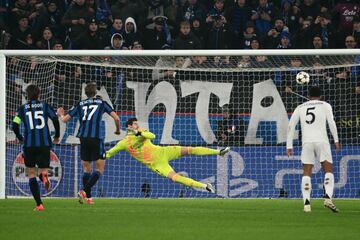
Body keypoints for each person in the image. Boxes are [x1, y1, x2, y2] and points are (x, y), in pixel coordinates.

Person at [106, 118, 230, 193]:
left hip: (163, 152)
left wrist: (138, 132)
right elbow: (110, 153)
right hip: (156, 163)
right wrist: (101, 155)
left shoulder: (142, 132)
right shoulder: (124, 143)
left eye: (137, 124)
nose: (137, 126)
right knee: (175, 177)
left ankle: (219, 152)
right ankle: (205, 186)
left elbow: (152, 136)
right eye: (134, 124)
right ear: (128, 126)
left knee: (190, 149)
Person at [57, 82, 120, 204]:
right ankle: (84, 191)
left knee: (87, 169)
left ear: (86, 93)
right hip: (96, 138)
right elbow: (116, 118)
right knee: (100, 169)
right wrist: (117, 130)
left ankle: (88, 198)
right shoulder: (101, 103)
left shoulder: (80, 104)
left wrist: (61, 114)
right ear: (95, 92)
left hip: (83, 138)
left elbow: (64, 120)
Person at [286, 86, 340, 213]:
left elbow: (290, 126)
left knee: (307, 172)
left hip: (307, 142)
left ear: (309, 95)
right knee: (328, 169)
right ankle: (327, 197)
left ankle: (306, 204)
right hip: (322, 141)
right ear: (321, 96)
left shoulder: (300, 107)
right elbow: (331, 123)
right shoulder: (325, 105)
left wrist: (289, 146)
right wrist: (336, 140)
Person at [12, 84, 60, 211]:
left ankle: (39, 204)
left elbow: (14, 125)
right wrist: (57, 135)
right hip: (44, 143)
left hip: (29, 144)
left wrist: (20, 137)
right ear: (39, 94)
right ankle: (44, 176)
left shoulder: (22, 109)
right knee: (43, 170)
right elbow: (55, 118)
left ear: (27, 95)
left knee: (31, 173)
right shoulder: (45, 106)